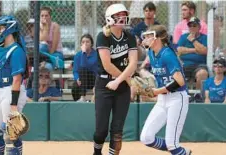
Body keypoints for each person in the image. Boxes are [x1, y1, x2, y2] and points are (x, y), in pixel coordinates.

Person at [93, 4, 137, 155]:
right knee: (101, 130)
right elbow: (107, 65)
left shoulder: (130, 36)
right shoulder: (103, 36)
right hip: (104, 84)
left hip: (122, 85)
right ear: (109, 18)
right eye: (118, 15)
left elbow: (132, 64)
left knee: (117, 130)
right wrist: (128, 80)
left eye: (124, 15)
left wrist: (122, 81)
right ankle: (97, 152)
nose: (122, 18)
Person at [139, 25, 191, 155]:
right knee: (146, 137)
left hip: (177, 98)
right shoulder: (151, 53)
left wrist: (156, 91)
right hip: (163, 99)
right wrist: (151, 88)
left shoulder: (167, 54)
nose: (145, 38)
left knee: (172, 144)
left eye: (149, 36)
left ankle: (178, 151)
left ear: (159, 38)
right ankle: (182, 152)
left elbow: (180, 81)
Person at [0, 15, 28, 155]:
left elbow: (17, 79)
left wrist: (14, 105)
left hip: (11, 93)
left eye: (1, 28)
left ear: (10, 29)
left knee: (9, 135)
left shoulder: (16, 51)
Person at [177, 17, 208, 90]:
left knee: (202, 73)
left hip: (199, 65)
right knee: (174, 72)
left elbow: (204, 51)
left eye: (194, 25)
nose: (192, 27)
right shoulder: (183, 37)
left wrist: (193, 40)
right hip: (184, 64)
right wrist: (196, 50)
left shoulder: (204, 37)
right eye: (190, 25)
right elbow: (178, 50)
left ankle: (198, 97)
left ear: (199, 27)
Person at [72, 34, 98, 102]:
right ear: (81, 44)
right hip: (82, 80)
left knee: (83, 69)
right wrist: (77, 78)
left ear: (91, 43)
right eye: (83, 42)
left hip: (93, 79)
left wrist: (84, 53)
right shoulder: (77, 55)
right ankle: (78, 103)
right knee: (74, 86)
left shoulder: (96, 55)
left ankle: (83, 97)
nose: (85, 44)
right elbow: (75, 71)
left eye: (87, 42)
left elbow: (85, 66)